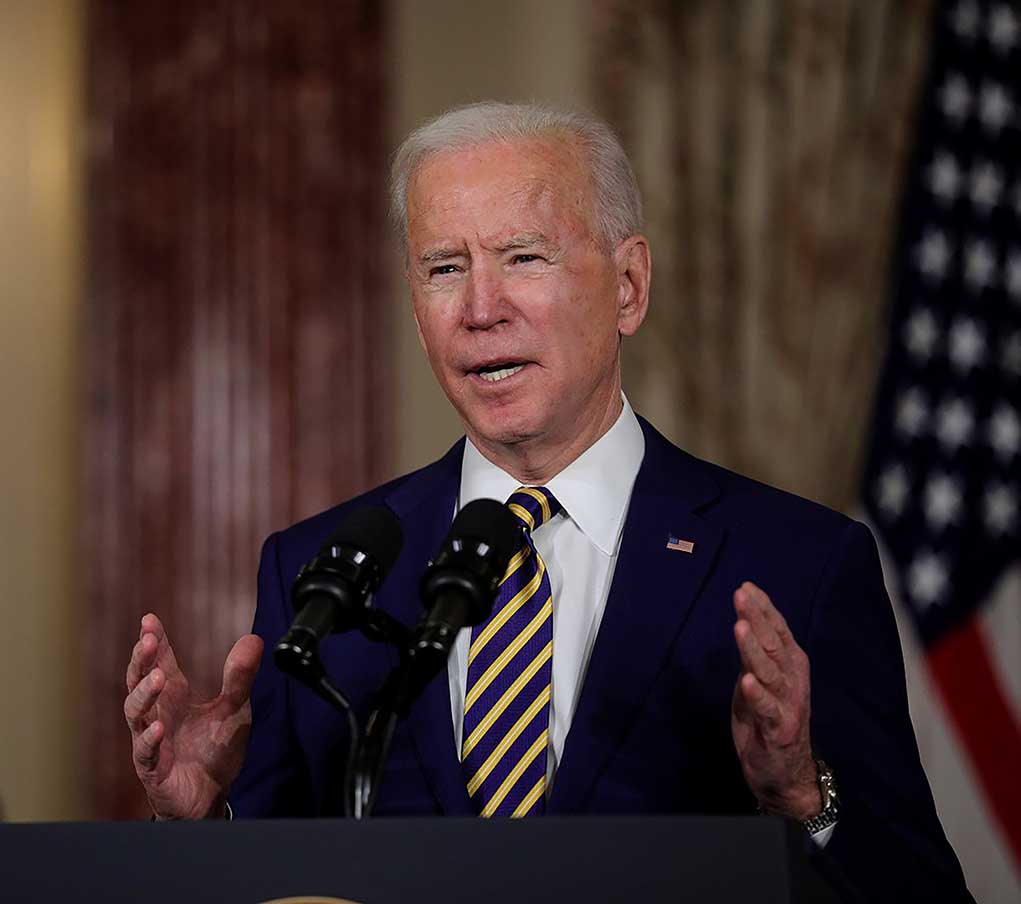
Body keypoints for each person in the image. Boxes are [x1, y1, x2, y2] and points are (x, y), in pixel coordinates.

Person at [124, 102, 971, 900]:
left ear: (629, 286)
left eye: (524, 257)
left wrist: (800, 799)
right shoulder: (321, 572)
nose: (481, 310)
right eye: (444, 268)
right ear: (418, 315)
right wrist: (201, 820)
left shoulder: (798, 562)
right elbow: (281, 878)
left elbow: (917, 891)